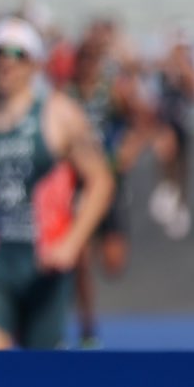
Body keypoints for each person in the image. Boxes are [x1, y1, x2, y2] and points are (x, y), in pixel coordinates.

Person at [0, 17, 114, 351]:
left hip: (45, 263)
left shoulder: (58, 115)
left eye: (17, 54)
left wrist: (73, 242)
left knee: (41, 375)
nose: (7, 62)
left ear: (34, 64)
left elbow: (101, 182)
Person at [66, 32, 134, 347]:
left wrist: (126, 152)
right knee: (81, 260)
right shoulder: (66, 97)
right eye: (84, 59)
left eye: (94, 60)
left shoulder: (112, 95)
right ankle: (87, 329)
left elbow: (145, 120)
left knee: (113, 263)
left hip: (110, 186)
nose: (89, 66)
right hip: (79, 187)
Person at [148, 26, 194, 240]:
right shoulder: (164, 64)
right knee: (164, 153)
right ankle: (167, 188)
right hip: (166, 118)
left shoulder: (192, 64)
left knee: (183, 162)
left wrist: (182, 64)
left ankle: (181, 205)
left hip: (183, 119)